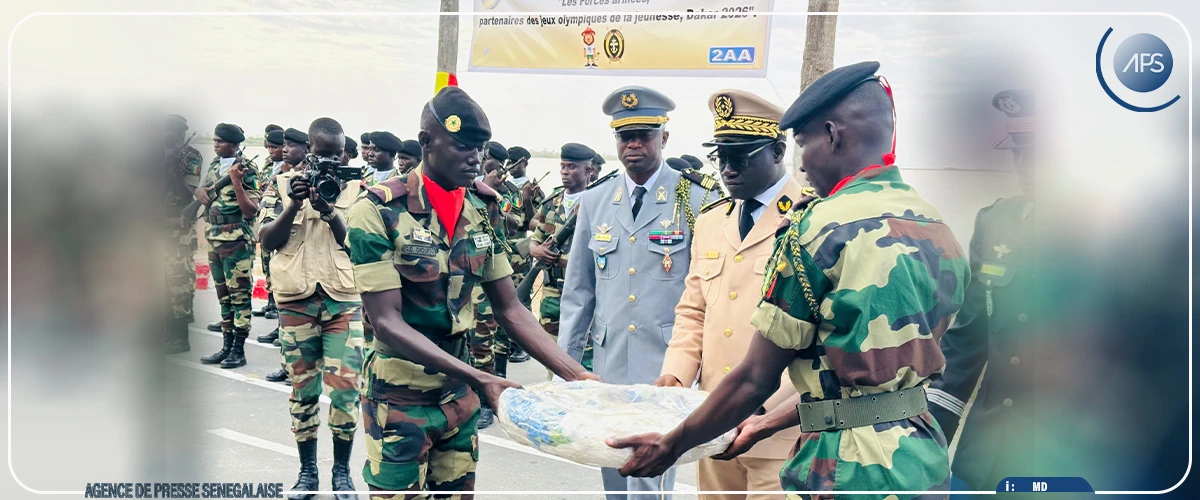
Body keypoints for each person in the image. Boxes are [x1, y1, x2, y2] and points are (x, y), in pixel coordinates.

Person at [608, 62, 970, 498]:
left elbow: (754, 378)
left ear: (832, 135)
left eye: (804, 143)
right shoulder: (936, 225)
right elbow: (860, 377)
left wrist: (671, 444)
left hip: (848, 466)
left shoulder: (817, 228)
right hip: (919, 455)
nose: (804, 161)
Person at [346, 86, 597, 496]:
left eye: (479, 149)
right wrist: (482, 378)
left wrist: (576, 374)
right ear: (427, 141)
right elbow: (388, 323)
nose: (475, 159)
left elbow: (510, 308)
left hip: (459, 397)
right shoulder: (377, 210)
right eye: (463, 146)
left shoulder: (482, 206)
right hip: (399, 400)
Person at [558, 85, 722, 498]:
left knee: (650, 476)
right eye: (624, 136)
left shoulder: (696, 198)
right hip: (608, 363)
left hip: (666, 365)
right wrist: (566, 365)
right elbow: (579, 291)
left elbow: (708, 292)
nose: (633, 145)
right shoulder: (596, 201)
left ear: (663, 138)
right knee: (613, 464)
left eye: (644, 135)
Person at [654, 90, 807, 500]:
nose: (726, 168)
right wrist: (675, 376)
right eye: (719, 156)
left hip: (778, 430)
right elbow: (693, 312)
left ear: (778, 151)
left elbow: (820, 336)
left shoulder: (809, 220)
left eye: (740, 157)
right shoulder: (711, 221)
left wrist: (767, 412)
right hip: (712, 422)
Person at [926, 89, 1036, 493]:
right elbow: (968, 340)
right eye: (1020, 151)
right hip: (990, 454)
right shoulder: (997, 221)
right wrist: (926, 437)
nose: (1026, 166)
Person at [259, 118, 365, 500]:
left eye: (336, 154)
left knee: (345, 390)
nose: (330, 161)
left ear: (344, 152)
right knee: (303, 391)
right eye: (322, 154)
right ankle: (307, 473)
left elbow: (357, 245)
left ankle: (341, 472)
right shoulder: (283, 182)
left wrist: (328, 208)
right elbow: (267, 239)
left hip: (343, 300)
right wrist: (295, 204)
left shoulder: (356, 187)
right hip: (296, 299)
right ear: (308, 147)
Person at [528, 142, 601, 374]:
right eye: (562, 166)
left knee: (585, 359)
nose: (565, 172)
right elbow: (534, 240)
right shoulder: (551, 203)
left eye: (572, 167)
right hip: (552, 292)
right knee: (553, 357)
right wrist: (536, 251)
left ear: (589, 171)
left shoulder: (599, 203)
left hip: (585, 293)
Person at [197, 123, 260, 369]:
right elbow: (203, 191)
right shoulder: (214, 165)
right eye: (214, 140)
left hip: (236, 240)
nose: (215, 145)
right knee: (224, 296)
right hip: (214, 237)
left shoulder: (247, 170)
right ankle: (226, 346)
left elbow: (251, 210)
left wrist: (236, 182)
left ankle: (238, 350)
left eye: (220, 141)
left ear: (234, 145)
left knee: (240, 296)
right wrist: (200, 192)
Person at [261, 128, 309, 383]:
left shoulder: (317, 178)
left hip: (312, 260)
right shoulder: (281, 178)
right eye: (285, 144)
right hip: (286, 255)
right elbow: (266, 225)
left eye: (292, 145)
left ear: (306, 148)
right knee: (287, 316)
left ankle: (303, 368)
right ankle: (288, 364)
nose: (285, 148)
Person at [470, 140, 510, 430]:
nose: (475, 157)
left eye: (479, 151)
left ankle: (484, 402)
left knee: (483, 346)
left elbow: (500, 244)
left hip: (482, 290)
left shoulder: (490, 200)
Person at [165, 114, 203, 354]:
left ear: (178, 135)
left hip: (177, 227)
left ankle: (180, 336)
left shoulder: (190, 156)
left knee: (178, 281)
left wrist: (173, 168)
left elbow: (189, 193)